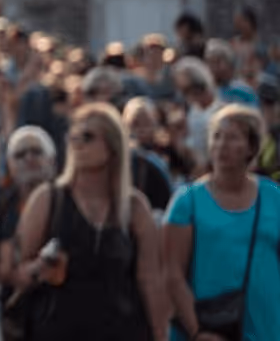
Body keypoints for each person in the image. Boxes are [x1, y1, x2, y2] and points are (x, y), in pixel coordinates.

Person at [12, 103, 167, 341]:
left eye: (87, 136)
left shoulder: (134, 207)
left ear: (112, 144)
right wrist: (39, 268)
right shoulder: (49, 199)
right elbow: (17, 275)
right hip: (58, 331)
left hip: (122, 331)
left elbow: (150, 280)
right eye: (73, 135)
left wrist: (160, 335)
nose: (77, 142)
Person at [164, 105, 280, 341]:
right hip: (208, 327)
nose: (221, 145)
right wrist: (198, 331)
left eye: (232, 137)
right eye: (217, 136)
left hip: (266, 324)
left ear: (251, 147)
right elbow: (172, 273)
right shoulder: (188, 201)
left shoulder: (273, 196)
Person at [0, 125, 58, 341]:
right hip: (15, 314)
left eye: (37, 151)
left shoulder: (68, 201)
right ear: (9, 165)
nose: (29, 158)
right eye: (20, 154)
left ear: (52, 160)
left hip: (59, 308)